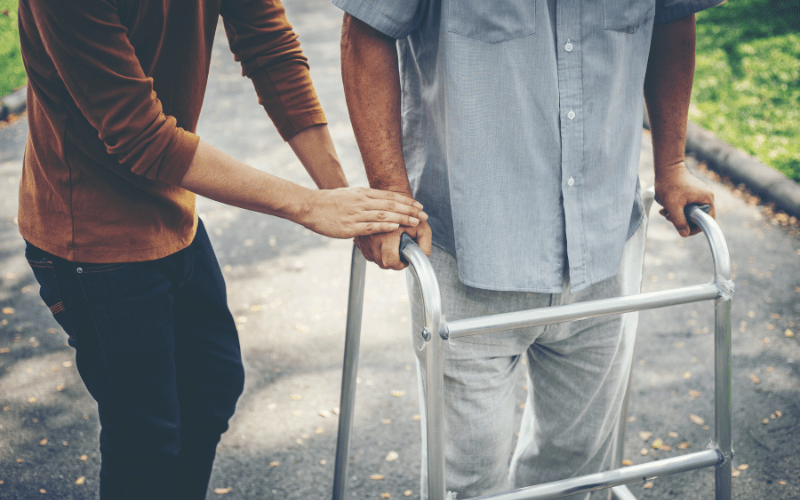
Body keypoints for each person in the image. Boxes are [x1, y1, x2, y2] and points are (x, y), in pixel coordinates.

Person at [17, 0, 426, 497]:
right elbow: (140, 135)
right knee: (145, 439)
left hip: (172, 211)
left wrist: (341, 200)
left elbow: (269, 47)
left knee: (209, 392)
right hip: (91, 239)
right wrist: (307, 206)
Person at [334, 0, 719, 498]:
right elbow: (364, 30)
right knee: (468, 481)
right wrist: (390, 193)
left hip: (604, 249)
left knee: (575, 474)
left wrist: (672, 164)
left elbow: (671, 17)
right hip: (469, 255)